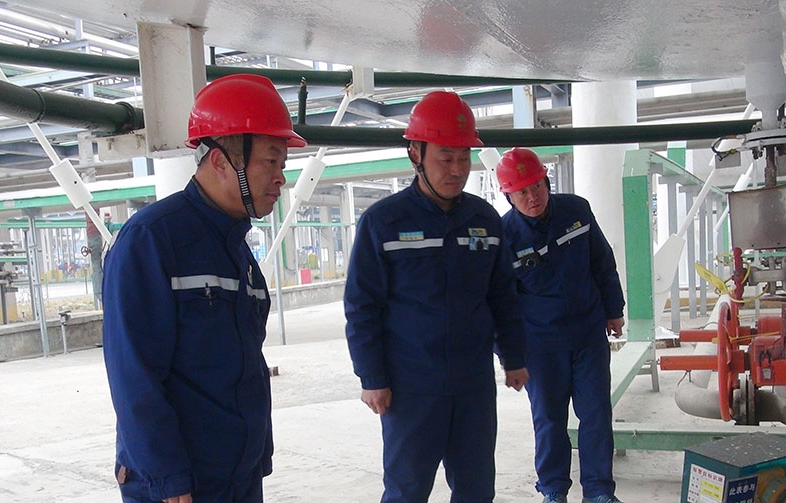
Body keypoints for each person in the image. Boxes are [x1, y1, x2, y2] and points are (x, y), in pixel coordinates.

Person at [102, 74, 306, 503]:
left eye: (282, 165)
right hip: (180, 485)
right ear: (220, 161)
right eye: (271, 162)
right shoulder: (152, 240)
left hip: (237, 476)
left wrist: (258, 451)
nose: (280, 179)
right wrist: (167, 477)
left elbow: (247, 364)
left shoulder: (237, 250)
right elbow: (134, 375)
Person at [344, 91, 530, 503]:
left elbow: (502, 294)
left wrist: (513, 356)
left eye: (464, 157)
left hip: (473, 383)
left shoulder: (484, 220)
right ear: (416, 153)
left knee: (476, 488)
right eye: (446, 158)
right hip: (410, 387)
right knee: (407, 490)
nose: (457, 169)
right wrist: (372, 377)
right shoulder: (383, 222)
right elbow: (362, 306)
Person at [495, 148, 625, 503]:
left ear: (547, 182)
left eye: (537, 186)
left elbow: (602, 261)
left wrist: (614, 309)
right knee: (549, 419)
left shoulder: (576, 211)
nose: (532, 196)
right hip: (540, 345)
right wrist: (508, 354)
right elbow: (497, 302)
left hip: (587, 334)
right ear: (509, 196)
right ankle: (553, 490)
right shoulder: (504, 237)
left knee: (596, 414)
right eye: (522, 191)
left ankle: (599, 491)